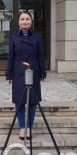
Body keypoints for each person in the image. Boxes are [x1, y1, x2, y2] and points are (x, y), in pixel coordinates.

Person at [5, 10, 46, 140]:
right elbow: (11, 57)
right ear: (18, 22)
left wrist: (42, 72)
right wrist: (9, 74)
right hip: (18, 72)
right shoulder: (14, 38)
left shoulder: (37, 37)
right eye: (22, 19)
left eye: (27, 19)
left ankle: (29, 127)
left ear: (31, 21)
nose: (25, 22)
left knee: (33, 102)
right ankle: (22, 127)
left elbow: (40, 56)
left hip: (33, 71)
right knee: (19, 101)